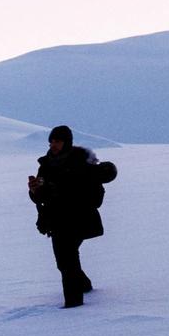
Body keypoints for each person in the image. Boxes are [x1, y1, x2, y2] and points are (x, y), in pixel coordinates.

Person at [28, 125, 106, 308]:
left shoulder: (81, 163)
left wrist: (66, 194)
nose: (53, 145)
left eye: (57, 141)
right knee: (65, 261)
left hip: (78, 218)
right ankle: (84, 286)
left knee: (67, 258)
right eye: (51, 141)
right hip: (55, 220)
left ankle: (73, 303)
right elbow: (39, 197)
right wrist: (34, 190)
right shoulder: (46, 165)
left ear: (67, 142)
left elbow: (95, 195)